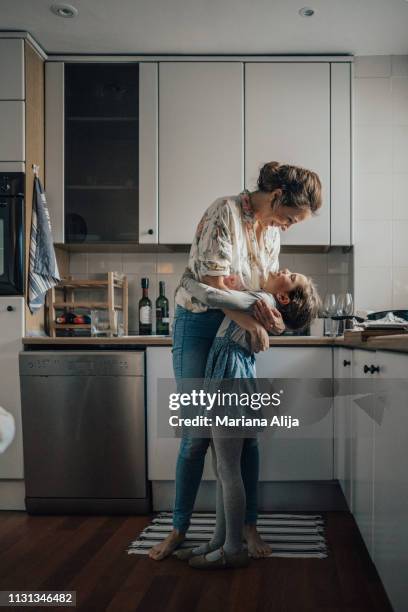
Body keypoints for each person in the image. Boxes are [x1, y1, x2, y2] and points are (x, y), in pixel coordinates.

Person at [148, 161, 322, 561]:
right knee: (196, 436)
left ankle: (246, 528)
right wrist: (254, 325)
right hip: (198, 323)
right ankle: (179, 528)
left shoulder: (271, 231)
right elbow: (211, 285)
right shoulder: (223, 211)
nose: (290, 225)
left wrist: (262, 321)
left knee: (244, 437)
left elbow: (259, 290)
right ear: (277, 194)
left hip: (234, 332)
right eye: (292, 216)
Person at [172, 268, 320, 568]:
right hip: (234, 379)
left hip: (230, 381)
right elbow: (233, 292)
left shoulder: (260, 300)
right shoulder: (261, 300)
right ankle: (219, 540)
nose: (286, 270)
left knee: (227, 469)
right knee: (224, 467)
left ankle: (233, 549)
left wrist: (188, 279)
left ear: (283, 297)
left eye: (292, 278)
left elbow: (211, 296)